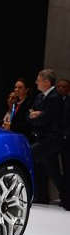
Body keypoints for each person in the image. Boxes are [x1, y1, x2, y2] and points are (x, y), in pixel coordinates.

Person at [28, 69, 65, 206]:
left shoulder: (55, 97)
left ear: (47, 82)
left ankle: (36, 193)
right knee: (51, 169)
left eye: (38, 80)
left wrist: (37, 116)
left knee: (30, 155)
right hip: (42, 138)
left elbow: (47, 118)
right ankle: (44, 195)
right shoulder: (39, 97)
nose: (36, 82)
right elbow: (30, 115)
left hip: (51, 139)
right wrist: (35, 115)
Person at [56, 78, 70, 210]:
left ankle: (67, 199)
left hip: (67, 140)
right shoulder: (54, 101)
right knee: (54, 169)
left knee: (67, 169)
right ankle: (64, 196)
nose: (61, 89)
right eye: (59, 86)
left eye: (64, 87)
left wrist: (66, 134)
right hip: (55, 139)